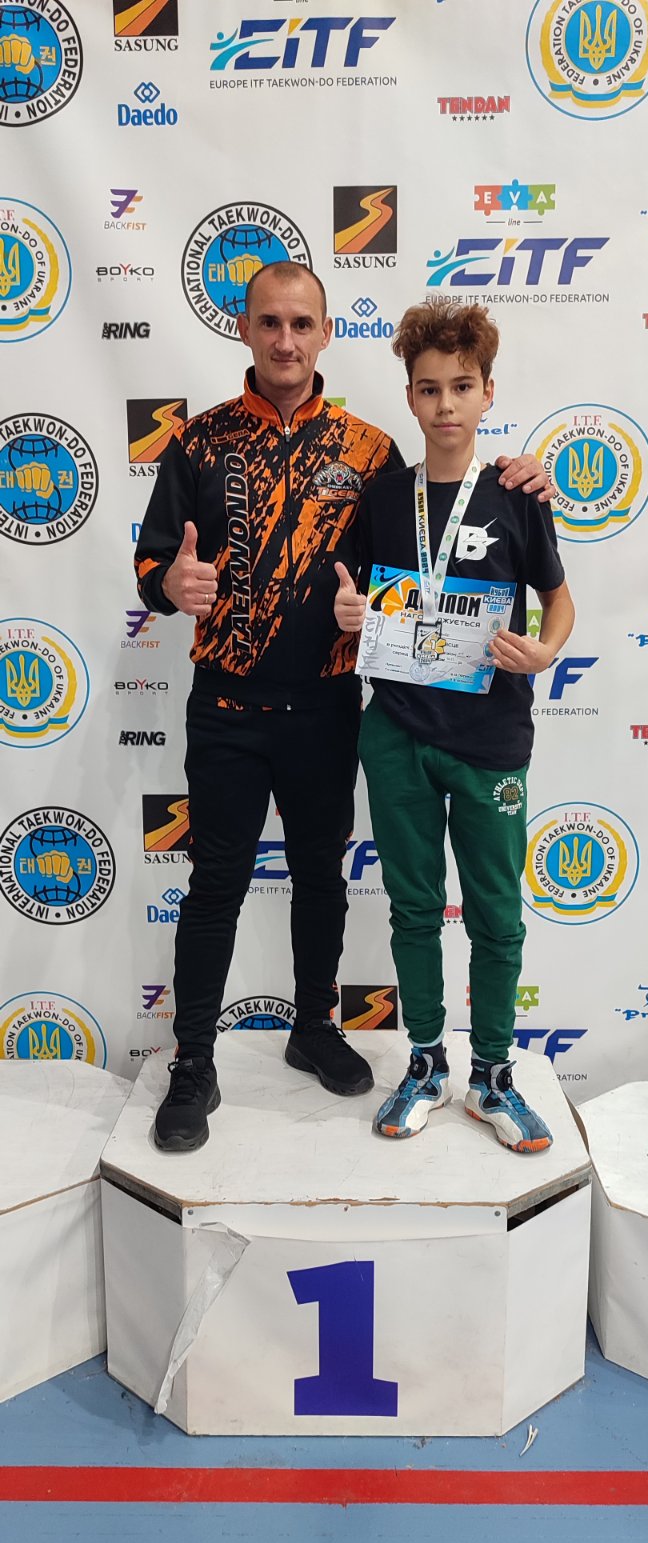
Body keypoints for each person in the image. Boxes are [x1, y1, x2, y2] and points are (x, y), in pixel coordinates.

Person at [134, 263, 553, 1152]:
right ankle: (193, 1062)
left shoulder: (369, 454)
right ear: (246, 329)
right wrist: (170, 583)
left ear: (326, 334)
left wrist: (522, 474)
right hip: (226, 706)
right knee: (216, 883)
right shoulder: (199, 441)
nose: (285, 340)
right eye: (269, 322)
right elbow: (153, 563)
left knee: (322, 877)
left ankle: (314, 1027)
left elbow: (410, 559)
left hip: (328, 707)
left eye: (302, 324)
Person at [334, 300, 574, 1153]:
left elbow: (559, 601)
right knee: (412, 909)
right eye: (430, 388)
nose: (445, 405)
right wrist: (348, 612)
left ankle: (495, 1076)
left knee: (497, 917)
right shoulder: (382, 497)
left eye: (461, 387)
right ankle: (427, 1064)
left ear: (487, 393)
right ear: (410, 396)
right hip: (397, 732)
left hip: (489, 740)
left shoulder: (517, 492)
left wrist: (545, 651)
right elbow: (356, 599)